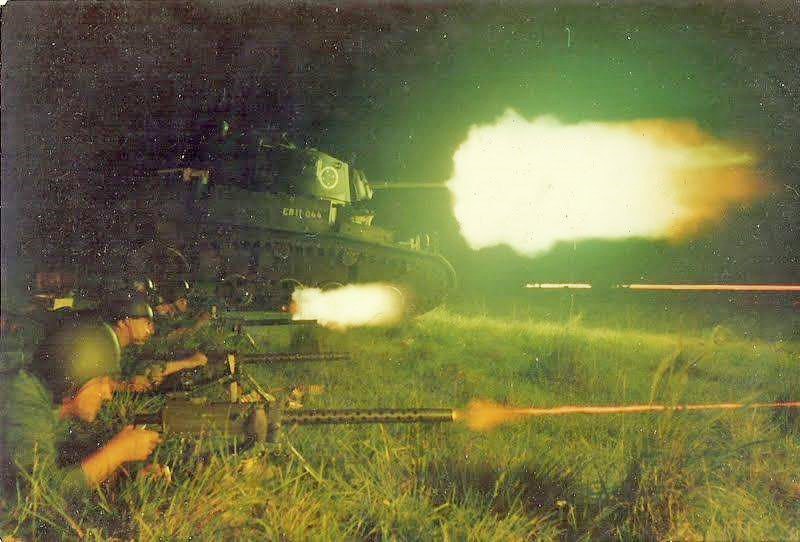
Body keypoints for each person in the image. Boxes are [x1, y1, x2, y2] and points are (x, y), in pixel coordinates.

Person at [2, 292, 206, 493]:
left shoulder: (52, 404)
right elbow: (39, 492)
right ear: (76, 377)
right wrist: (116, 453)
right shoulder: (23, 401)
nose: (109, 394)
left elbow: (63, 462)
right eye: (102, 383)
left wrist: (125, 474)